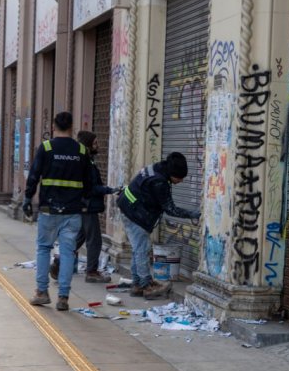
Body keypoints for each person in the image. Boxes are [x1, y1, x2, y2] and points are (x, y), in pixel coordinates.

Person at [22, 111, 93, 311]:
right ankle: (63, 297)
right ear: (72, 127)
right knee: (68, 251)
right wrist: (85, 200)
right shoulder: (81, 150)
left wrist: (28, 198)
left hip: (48, 209)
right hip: (73, 210)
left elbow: (34, 175)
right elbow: (89, 181)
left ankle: (42, 292)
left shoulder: (46, 147)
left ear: (54, 126)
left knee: (44, 248)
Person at [116, 152, 200, 300]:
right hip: (135, 213)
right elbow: (170, 209)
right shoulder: (159, 182)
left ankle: (137, 285)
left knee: (138, 249)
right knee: (142, 249)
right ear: (173, 173)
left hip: (128, 207)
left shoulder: (157, 168)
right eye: (180, 178)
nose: (181, 181)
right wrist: (192, 214)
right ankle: (147, 286)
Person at [50, 130, 119, 283]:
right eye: (95, 143)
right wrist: (110, 190)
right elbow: (91, 187)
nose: (98, 146)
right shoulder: (86, 162)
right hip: (87, 205)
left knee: (79, 237)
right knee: (94, 240)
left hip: (81, 204)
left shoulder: (83, 160)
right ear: (88, 146)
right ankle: (92, 272)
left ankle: (59, 263)